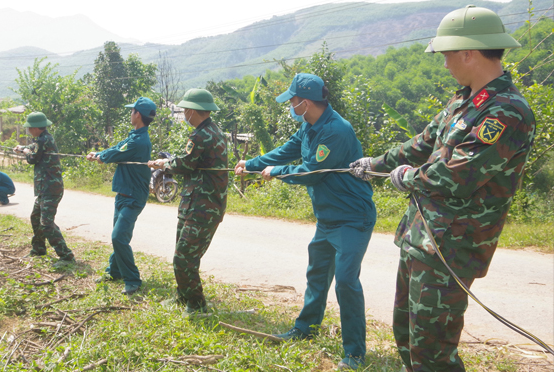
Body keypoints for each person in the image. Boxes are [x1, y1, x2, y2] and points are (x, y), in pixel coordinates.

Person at [350, 5, 535, 372]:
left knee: (433, 352)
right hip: (423, 237)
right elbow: (422, 143)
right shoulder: (464, 100)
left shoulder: (506, 112)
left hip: (453, 245)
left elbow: (456, 176)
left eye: (447, 54)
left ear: (468, 52)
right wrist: (377, 163)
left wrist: (407, 178)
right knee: (406, 336)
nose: (444, 63)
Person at [235, 73, 376, 370]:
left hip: (352, 218)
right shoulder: (308, 126)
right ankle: (305, 328)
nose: (290, 105)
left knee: (346, 281)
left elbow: (312, 172)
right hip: (328, 218)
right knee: (317, 273)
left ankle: (354, 353)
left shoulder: (336, 131)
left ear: (306, 102)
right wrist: (251, 164)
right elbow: (285, 150)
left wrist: (277, 172)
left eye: (292, 101)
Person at [148, 89, 228, 314]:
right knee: (183, 254)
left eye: (185, 110)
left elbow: (184, 165)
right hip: (197, 204)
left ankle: (197, 304)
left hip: (203, 206)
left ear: (193, 111)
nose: (184, 114)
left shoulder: (201, 136)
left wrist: (162, 164)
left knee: (184, 258)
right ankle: (184, 296)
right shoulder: (212, 131)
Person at [87, 97, 156, 296]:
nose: (130, 113)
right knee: (119, 236)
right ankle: (115, 271)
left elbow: (116, 153)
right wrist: (99, 153)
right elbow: (116, 149)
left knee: (118, 237)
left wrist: (102, 157)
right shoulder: (134, 135)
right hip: (124, 194)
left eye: (132, 110)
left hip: (133, 197)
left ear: (138, 114)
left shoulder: (139, 141)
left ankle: (132, 279)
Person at [14, 112, 75, 269]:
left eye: (29, 128)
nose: (28, 130)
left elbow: (32, 158)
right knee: (35, 217)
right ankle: (39, 249)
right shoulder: (43, 139)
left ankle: (66, 256)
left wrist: (25, 152)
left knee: (46, 223)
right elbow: (33, 147)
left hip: (51, 188)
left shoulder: (44, 140)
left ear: (35, 128)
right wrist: (23, 148)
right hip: (44, 188)